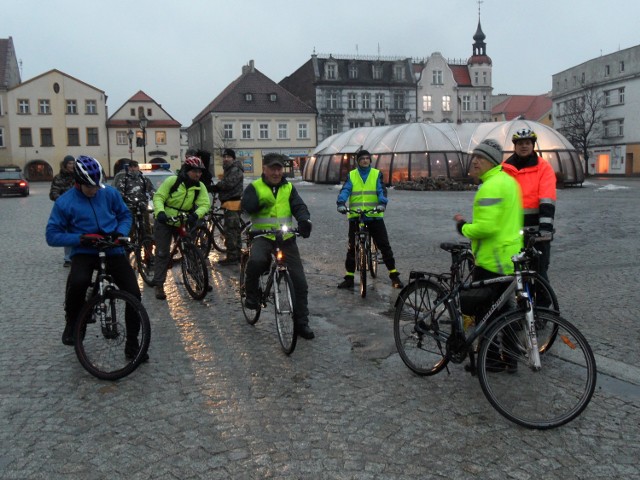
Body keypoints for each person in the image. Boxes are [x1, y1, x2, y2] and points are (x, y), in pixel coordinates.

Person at [45, 155, 147, 360]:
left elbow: (124, 215)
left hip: (112, 248)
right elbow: (52, 235)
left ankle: (132, 344)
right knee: (78, 281)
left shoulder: (108, 193)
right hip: (85, 250)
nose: (95, 190)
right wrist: (80, 238)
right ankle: (73, 324)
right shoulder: (65, 202)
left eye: (97, 186)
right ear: (78, 183)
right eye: (90, 187)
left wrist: (120, 232)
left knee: (134, 294)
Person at [453, 139, 523, 371]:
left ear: (491, 161)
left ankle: (490, 360)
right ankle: (510, 359)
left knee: (486, 312)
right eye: (474, 156)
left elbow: (486, 228)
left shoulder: (490, 186)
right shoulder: (509, 182)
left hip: (492, 259)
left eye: (479, 158)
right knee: (506, 310)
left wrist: (463, 227)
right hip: (509, 257)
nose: (474, 161)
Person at [241, 153, 314, 340]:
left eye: (279, 168)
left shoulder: (289, 187)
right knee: (256, 261)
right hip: (262, 236)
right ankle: (251, 295)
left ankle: (302, 323)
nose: (276, 172)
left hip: (285, 237)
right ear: (264, 169)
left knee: (300, 282)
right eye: (272, 168)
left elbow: (299, 206)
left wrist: (304, 220)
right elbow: (245, 207)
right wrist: (254, 205)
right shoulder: (255, 187)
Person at [336, 149, 403, 289]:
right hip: (356, 216)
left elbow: (381, 191)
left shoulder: (376, 174)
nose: (365, 161)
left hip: (374, 215)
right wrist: (341, 203)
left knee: (384, 245)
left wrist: (382, 204)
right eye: (362, 159)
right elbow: (345, 190)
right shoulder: (352, 175)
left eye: (367, 158)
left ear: (370, 161)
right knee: (352, 247)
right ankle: (349, 278)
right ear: (358, 161)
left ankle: (394, 275)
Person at [152, 156, 211, 300]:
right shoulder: (173, 181)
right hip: (165, 220)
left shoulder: (199, 186)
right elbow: (159, 197)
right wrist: (160, 212)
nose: (198, 175)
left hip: (181, 221)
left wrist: (196, 215)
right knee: (162, 253)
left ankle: (199, 279)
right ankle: (159, 285)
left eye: (200, 172)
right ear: (187, 170)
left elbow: (205, 204)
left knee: (190, 249)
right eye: (195, 171)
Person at [502, 128, 557, 282]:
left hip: (536, 234)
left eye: (527, 143)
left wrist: (545, 231)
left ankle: (543, 306)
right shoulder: (505, 168)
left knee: (539, 275)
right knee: (510, 275)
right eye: (520, 143)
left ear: (533, 145)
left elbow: (547, 200)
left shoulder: (543, 168)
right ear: (515, 146)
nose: (524, 146)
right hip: (511, 232)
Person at [211, 148, 244, 265]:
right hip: (229, 203)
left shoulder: (235, 169)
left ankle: (233, 257)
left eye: (228, 157)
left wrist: (217, 187)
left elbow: (229, 183)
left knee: (230, 232)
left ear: (233, 158)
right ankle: (237, 254)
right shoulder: (229, 169)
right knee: (234, 230)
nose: (225, 159)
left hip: (233, 203)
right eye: (224, 157)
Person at [114, 160, 155, 239]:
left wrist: (151, 197)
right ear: (128, 168)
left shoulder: (144, 179)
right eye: (131, 167)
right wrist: (124, 200)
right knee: (130, 228)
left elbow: (151, 190)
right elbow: (119, 193)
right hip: (130, 207)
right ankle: (130, 246)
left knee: (146, 227)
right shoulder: (124, 180)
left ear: (138, 168)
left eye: (135, 167)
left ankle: (148, 247)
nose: (133, 169)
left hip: (143, 206)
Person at [49, 155, 77, 267]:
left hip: (79, 207)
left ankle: (80, 254)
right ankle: (68, 258)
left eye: (73, 163)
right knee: (68, 232)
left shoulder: (78, 176)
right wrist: (61, 200)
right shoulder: (58, 178)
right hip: (65, 209)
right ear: (65, 164)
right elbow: (53, 193)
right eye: (70, 163)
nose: (72, 165)